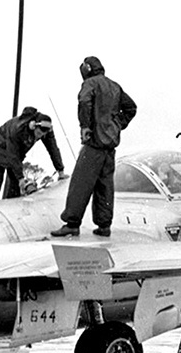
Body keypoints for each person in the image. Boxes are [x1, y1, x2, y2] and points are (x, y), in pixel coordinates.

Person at [52, 57, 137, 238]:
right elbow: (131, 108)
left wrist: (85, 127)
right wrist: (116, 125)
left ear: (87, 69)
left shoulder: (90, 83)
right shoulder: (115, 86)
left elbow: (84, 102)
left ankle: (72, 223)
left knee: (80, 183)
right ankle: (104, 226)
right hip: (110, 146)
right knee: (105, 186)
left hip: (94, 143)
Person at [0, 107, 67, 201]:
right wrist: (20, 177)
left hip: (16, 155)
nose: (39, 136)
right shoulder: (17, 129)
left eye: (42, 135)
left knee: (15, 189)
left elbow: (53, 149)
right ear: (33, 126)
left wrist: (60, 170)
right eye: (38, 133)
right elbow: (13, 155)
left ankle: (12, 208)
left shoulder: (46, 131)